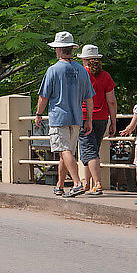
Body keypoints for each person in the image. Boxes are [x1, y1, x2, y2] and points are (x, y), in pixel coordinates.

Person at [35, 32, 95, 198]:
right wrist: (88, 119)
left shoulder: (53, 70)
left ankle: (77, 183)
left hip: (59, 117)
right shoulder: (82, 71)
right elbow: (89, 98)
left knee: (63, 150)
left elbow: (43, 97)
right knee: (66, 151)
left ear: (59, 50)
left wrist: (39, 114)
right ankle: (60, 185)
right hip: (77, 118)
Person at [77, 45, 118, 195]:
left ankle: (98, 184)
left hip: (83, 117)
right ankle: (86, 183)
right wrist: (113, 122)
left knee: (89, 151)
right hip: (102, 118)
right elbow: (111, 101)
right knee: (92, 150)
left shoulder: (80, 74)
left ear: (84, 60)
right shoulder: (106, 76)